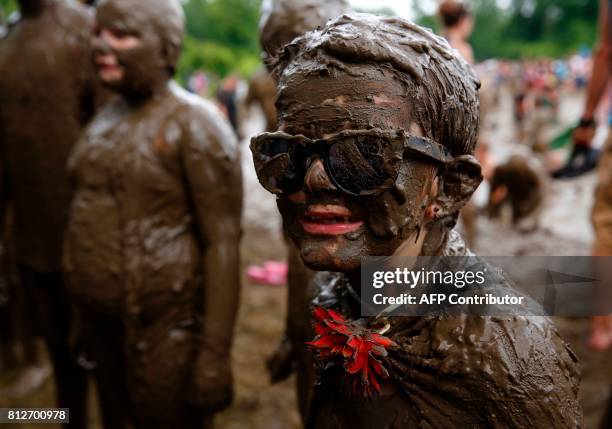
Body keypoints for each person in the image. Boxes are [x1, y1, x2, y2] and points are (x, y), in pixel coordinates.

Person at [251, 14, 582, 427]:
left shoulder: (513, 357)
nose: (314, 178)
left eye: (365, 154)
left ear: (448, 188)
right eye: (285, 152)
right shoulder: (329, 293)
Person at [63, 0, 242, 427]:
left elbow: (223, 244)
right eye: (98, 34)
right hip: (104, 331)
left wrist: (214, 357)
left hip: (167, 332)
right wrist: (81, 316)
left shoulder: (195, 125)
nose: (102, 46)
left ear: (167, 49)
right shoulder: (103, 121)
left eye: (122, 35)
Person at [0, 1, 101, 426]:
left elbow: (111, 126)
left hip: (88, 225)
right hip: (30, 225)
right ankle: (69, 416)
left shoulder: (87, 29)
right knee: (58, 343)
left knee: (103, 346)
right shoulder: (8, 37)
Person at [253, 0, 350, 419]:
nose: (287, 72)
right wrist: (292, 335)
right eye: (275, 58)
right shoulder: (264, 89)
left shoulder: (366, 99)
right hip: (304, 252)